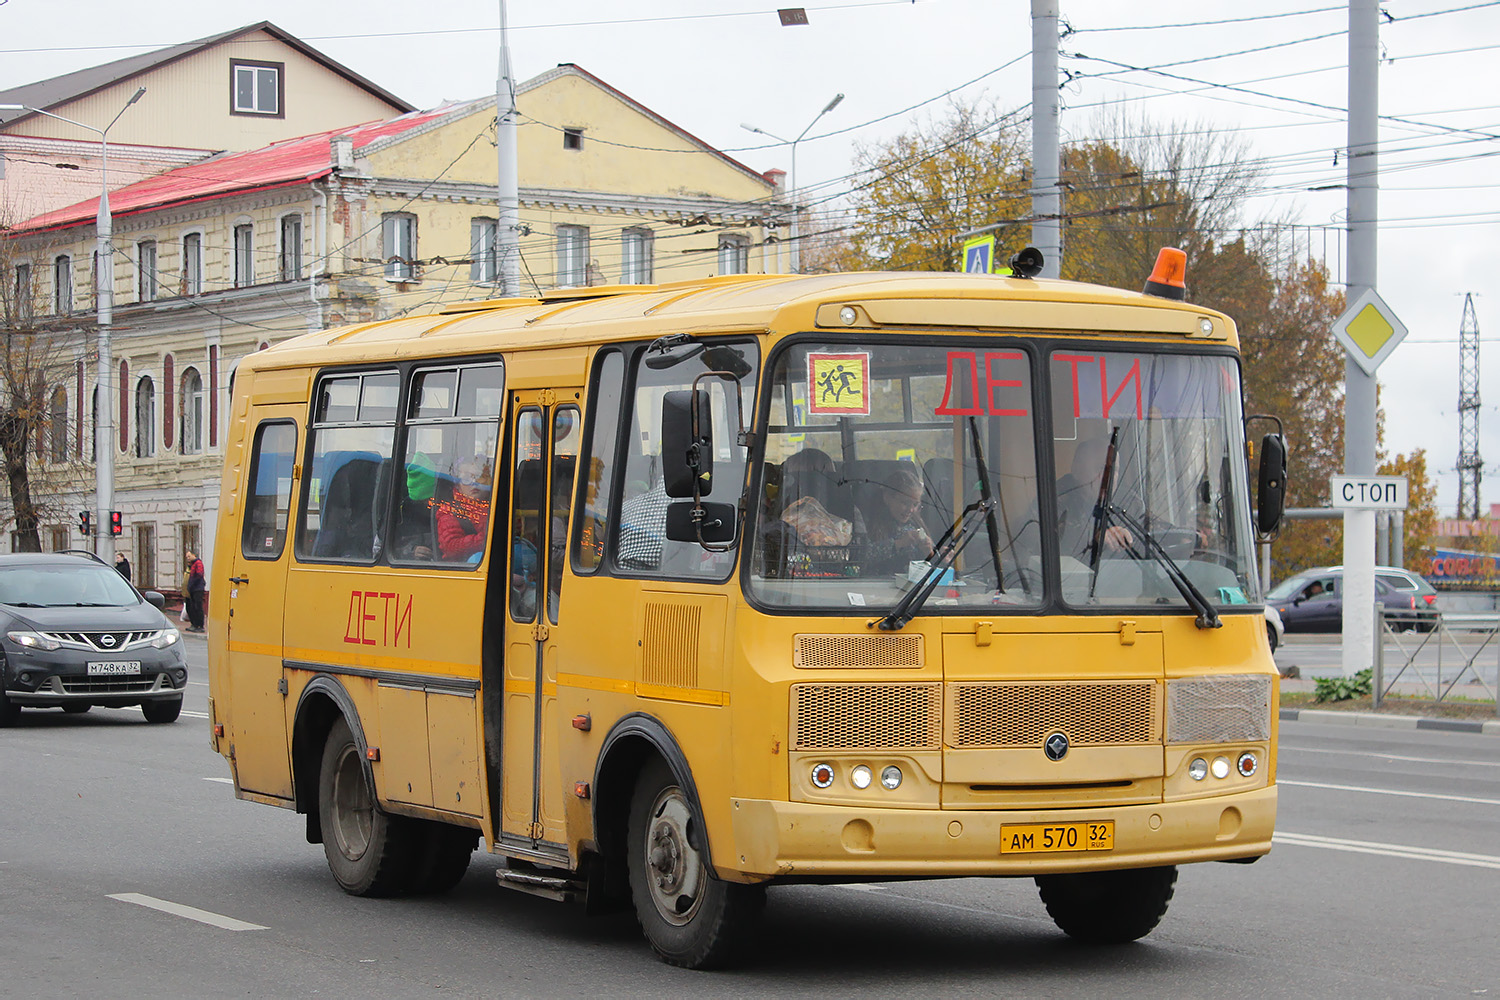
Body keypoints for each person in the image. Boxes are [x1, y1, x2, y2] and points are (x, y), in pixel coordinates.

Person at [859, 466, 933, 572]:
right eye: (904, 503)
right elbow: (860, 557)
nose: (911, 509)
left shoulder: (916, 524)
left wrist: (929, 553)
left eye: (915, 504)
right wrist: (898, 544)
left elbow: (932, 565)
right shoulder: (868, 523)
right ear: (887, 497)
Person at [436, 457, 491, 561]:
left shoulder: (498, 505)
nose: (473, 482)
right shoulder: (450, 511)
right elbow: (451, 548)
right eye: (466, 479)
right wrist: (486, 540)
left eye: (479, 477)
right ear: (457, 485)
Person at [184, 550, 206, 633]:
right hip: (193, 589)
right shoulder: (192, 564)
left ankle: (200, 626)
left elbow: (199, 575)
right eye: (187, 557)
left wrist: (192, 584)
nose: (188, 559)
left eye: (189, 556)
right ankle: (195, 624)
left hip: (197, 589)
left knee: (198, 607)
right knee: (192, 607)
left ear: (194, 555)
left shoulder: (198, 563)